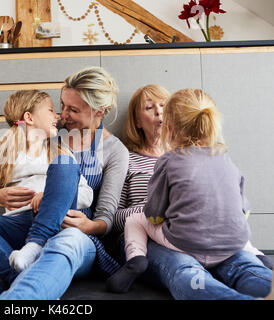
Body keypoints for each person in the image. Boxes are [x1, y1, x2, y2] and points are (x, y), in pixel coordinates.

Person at [0, 66, 129, 300]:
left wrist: (88, 224)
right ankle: (18, 265)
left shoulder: (112, 151)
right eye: (60, 106)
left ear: (98, 110)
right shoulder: (48, 134)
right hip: (18, 229)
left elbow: (106, 215)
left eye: (73, 110)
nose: (62, 115)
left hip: (70, 231)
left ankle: (25, 275)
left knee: (63, 246)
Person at [107, 87, 273, 299]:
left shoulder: (177, 159)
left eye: (164, 107)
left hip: (190, 233)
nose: (159, 112)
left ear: (172, 124)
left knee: (247, 266)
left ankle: (255, 260)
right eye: (149, 107)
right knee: (187, 271)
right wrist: (172, 213)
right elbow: (116, 215)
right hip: (162, 237)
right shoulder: (126, 158)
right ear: (137, 121)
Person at [0, 90, 94, 283]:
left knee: (65, 165)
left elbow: (87, 194)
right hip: (16, 227)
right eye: (51, 110)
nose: (58, 116)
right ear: (29, 117)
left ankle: (35, 245)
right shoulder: (0, 158)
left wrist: (49, 196)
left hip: (54, 223)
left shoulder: (60, 152)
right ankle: (19, 273)